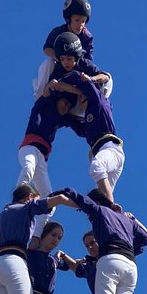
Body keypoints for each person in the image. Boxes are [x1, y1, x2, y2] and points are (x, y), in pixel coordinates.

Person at [49, 186, 147, 294]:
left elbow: (74, 195)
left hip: (110, 260)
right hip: (130, 264)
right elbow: (146, 238)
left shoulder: (98, 211)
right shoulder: (125, 219)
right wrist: (132, 228)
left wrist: (54, 197)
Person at [51, 69, 125, 201]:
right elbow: (74, 124)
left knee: (96, 167)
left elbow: (77, 77)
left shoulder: (99, 104)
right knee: (102, 199)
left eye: (82, 96)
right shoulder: (87, 122)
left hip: (109, 148)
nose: (79, 99)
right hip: (103, 152)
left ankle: (112, 208)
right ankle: (111, 213)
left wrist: (66, 83)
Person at [17, 95, 79, 201]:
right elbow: (48, 93)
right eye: (65, 102)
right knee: (28, 168)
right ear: (57, 100)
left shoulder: (61, 120)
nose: (66, 107)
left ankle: (42, 217)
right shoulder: (41, 107)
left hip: (42, 159)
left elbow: (79, 126)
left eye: (69, 106)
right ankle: (18, 199)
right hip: (30, 148)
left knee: (48, 196)